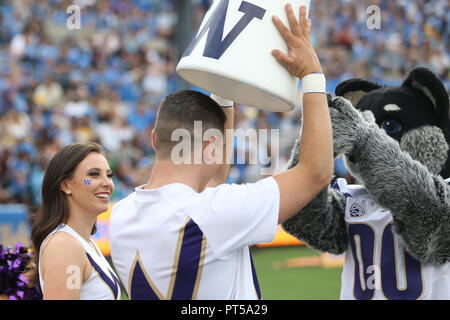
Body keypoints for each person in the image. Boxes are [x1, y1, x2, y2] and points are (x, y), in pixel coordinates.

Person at [110, 4, 333, 299]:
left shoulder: (122, 214)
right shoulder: (213, 213)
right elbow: (315, 172)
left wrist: (224, 90)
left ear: (154, 138)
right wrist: (312, 74)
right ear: (212, 146)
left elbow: (210, 185)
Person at [24, 142, 121, 300]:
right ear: (65, 185)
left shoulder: (83, 242)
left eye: (109, 175)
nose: (107, 183)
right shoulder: (64, 246)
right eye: (94, 174)